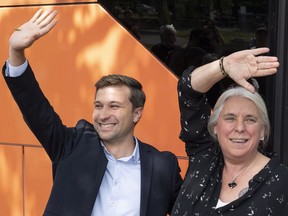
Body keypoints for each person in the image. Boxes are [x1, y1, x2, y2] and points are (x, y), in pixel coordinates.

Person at [2, 9, 183, 216]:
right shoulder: (72, 145)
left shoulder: (162, 166)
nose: (103, 114)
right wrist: (15, 52)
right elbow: (35, 108)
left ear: (136, 113)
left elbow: (191, 207)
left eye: (114, 106)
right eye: (98, 105)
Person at [171, 48, 288, 215]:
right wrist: (223, 66)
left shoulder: (282, 182)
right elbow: (188, 89)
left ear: (262, 131)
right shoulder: (204, 156)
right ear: (214, 127)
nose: (239, 128)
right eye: (230, 118)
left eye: (250, 119)